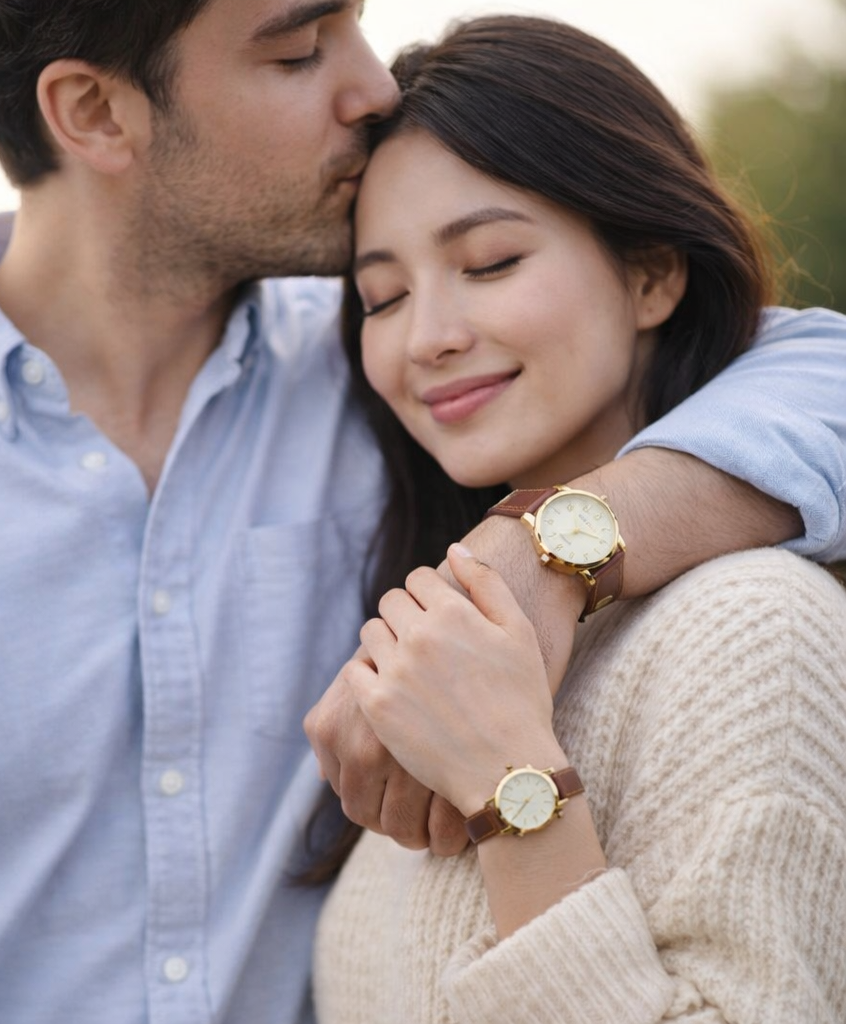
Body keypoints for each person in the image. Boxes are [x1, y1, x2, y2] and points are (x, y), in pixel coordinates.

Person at [0, 2, 843, 1022]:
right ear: (93, 110)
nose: (373, 89)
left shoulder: (401, 387)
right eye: (299, 51)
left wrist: (541, 546)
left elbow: (811, 371)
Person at [311, 15, 846, 1023]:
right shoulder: (428, 654)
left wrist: (514, 790)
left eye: (490, 262)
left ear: (649, 274)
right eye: (381, 296)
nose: (426, 337)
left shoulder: (747, 623)